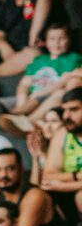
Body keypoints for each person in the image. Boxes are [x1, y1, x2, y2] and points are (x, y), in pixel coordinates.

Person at [41, 88, 82, 216]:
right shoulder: (62, 134)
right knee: (38, 196)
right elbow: (48, 177)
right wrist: (76, 176)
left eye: (74, 110)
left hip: (70, 190)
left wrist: (64, 186)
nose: (66, 116)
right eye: (64, 110)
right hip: (66, 196)